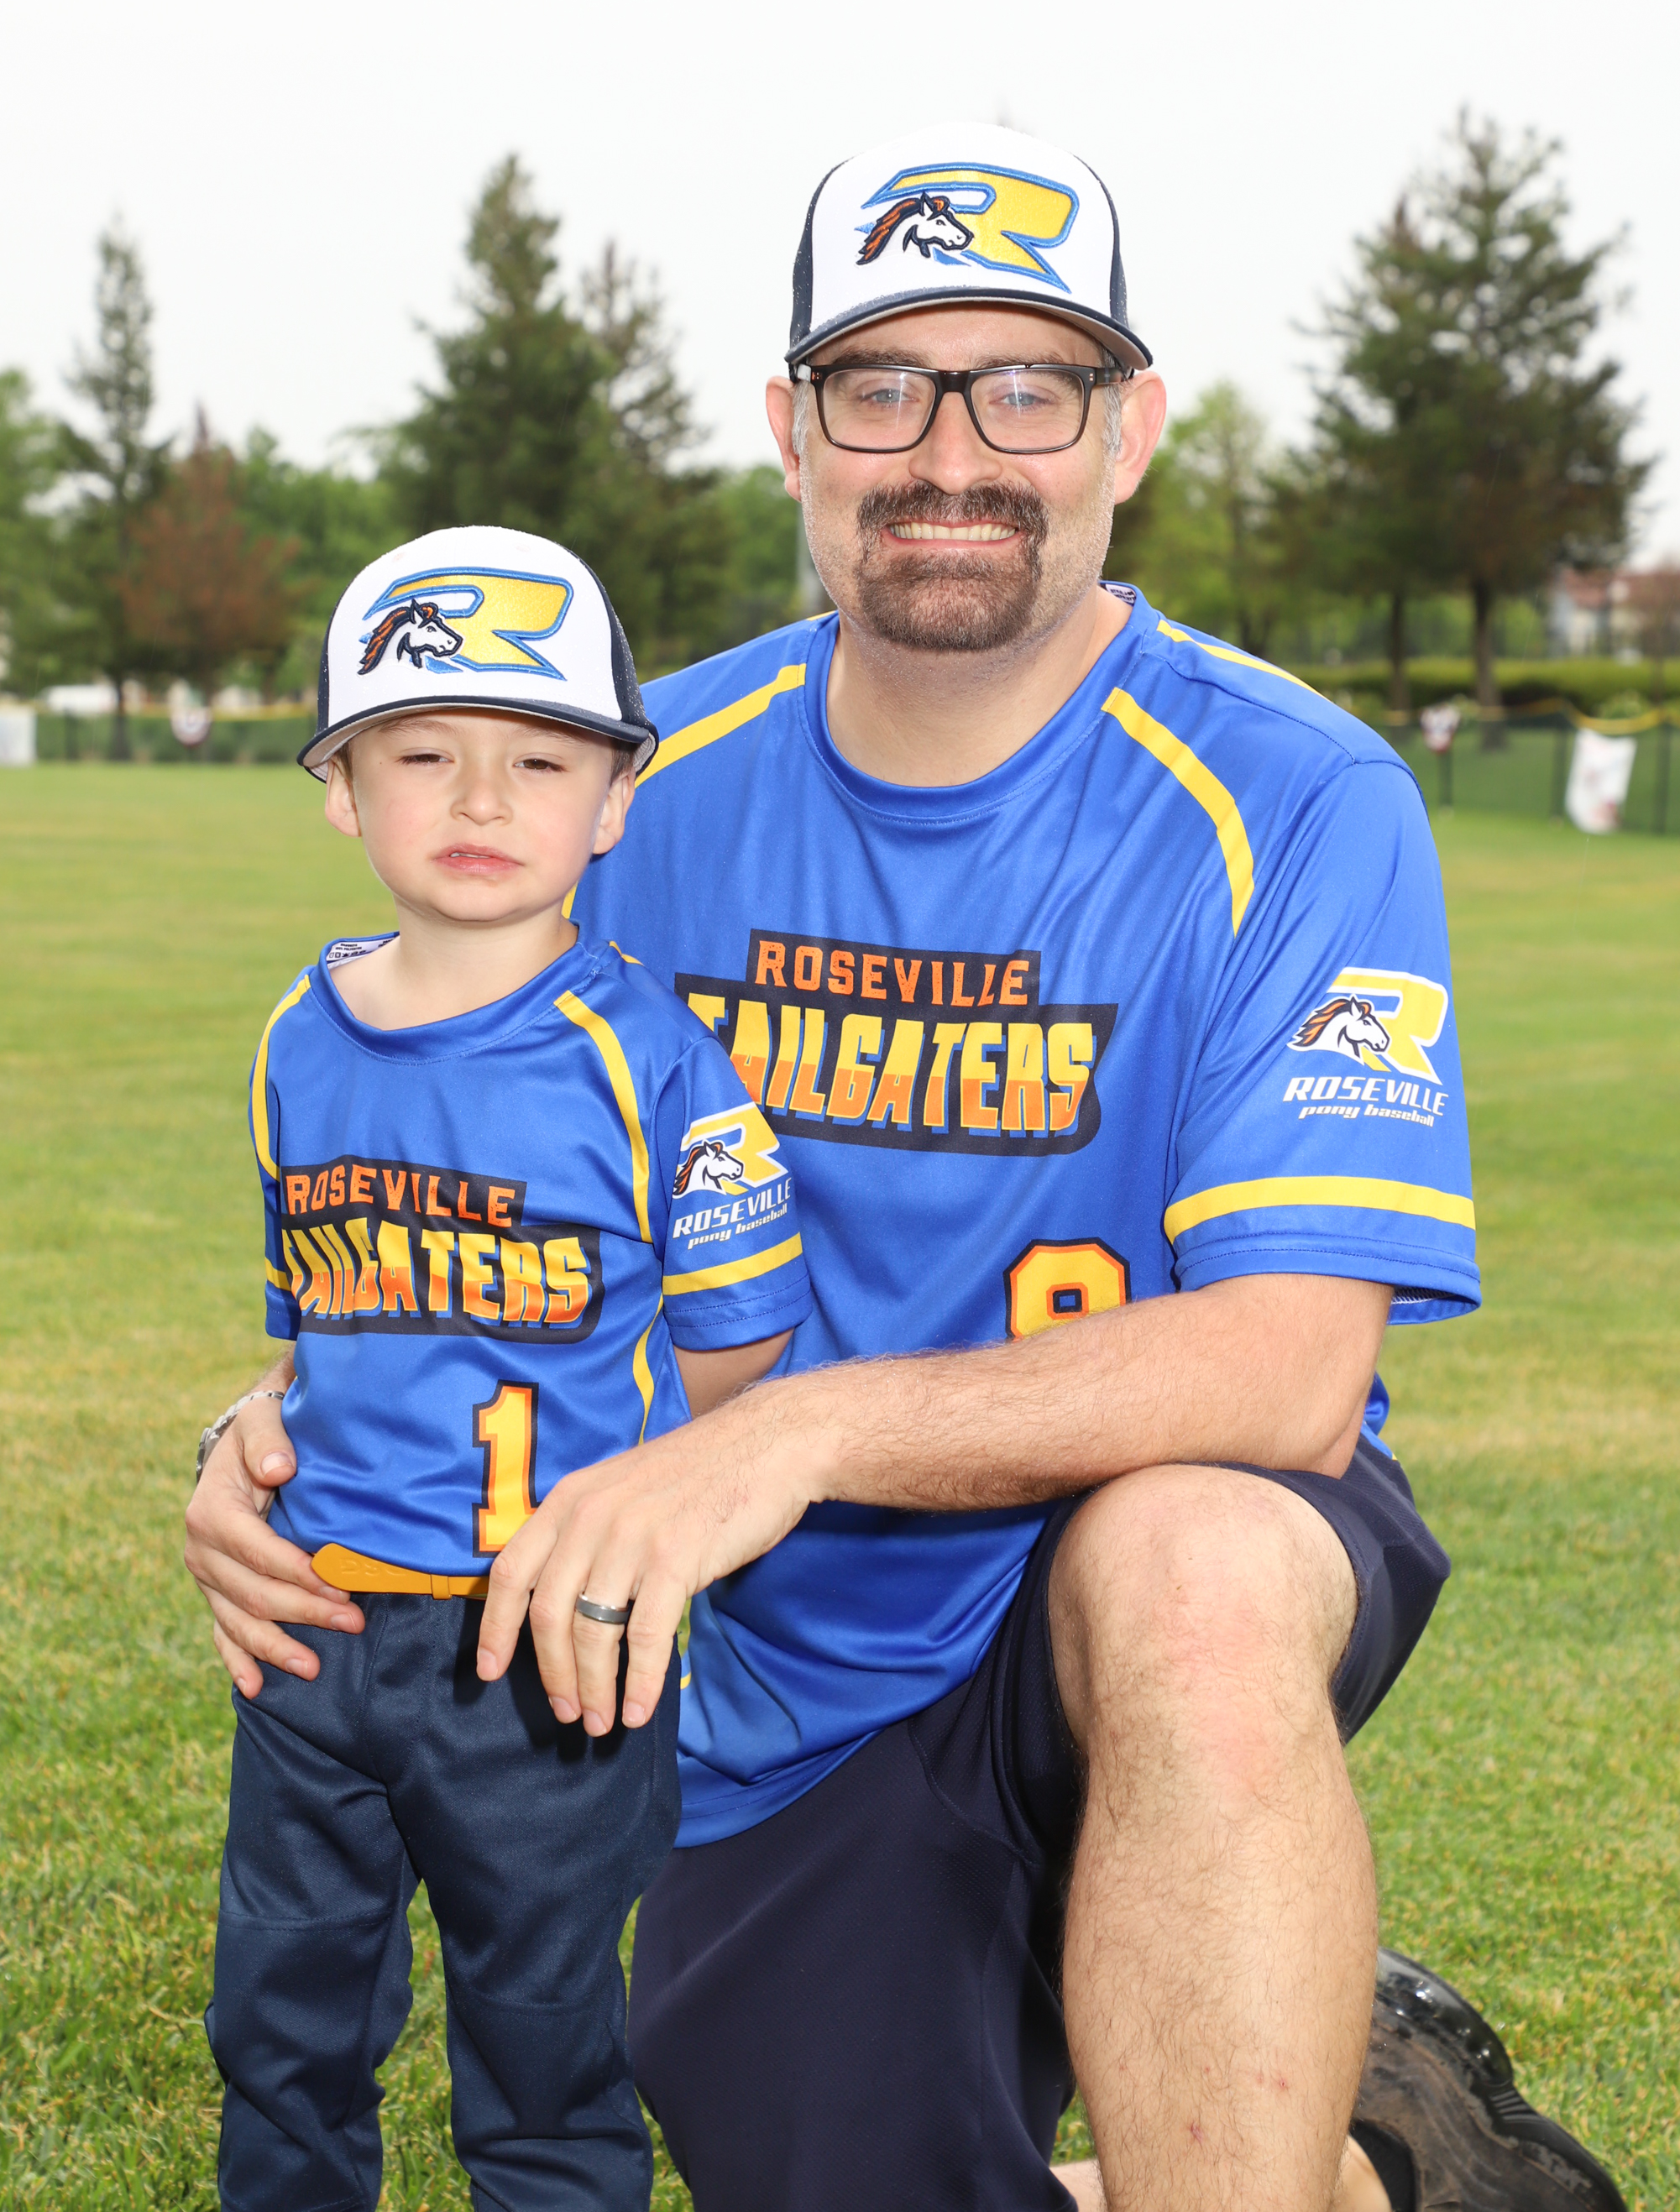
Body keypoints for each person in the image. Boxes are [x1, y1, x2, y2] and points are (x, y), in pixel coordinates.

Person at [186, 132, 1626, 2212]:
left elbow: (1295, 1364)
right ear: (792, 430)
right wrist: (270, 1432)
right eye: (881, 385)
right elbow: (457, 1208)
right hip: (769, 1668)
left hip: (1125, 1559)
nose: (951, 452)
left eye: (1025, 384)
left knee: (1191, 1561)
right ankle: (1389, 2152)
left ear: (1128, 428)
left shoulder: (1292, 791)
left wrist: (795, 1433)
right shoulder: (628, 791)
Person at [201, 525, 811, 2212]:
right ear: (340, 785)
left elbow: (742, 1340)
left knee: (542, 2042)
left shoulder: (651, 1057)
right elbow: (314, 1325)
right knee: (282, 2012)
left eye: (538, 760)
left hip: (540, 1639)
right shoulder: (297, 1033)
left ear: (612, 800)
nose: (479, 798)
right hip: (319, 1625)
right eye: (421, 754)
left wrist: (612, 1508)